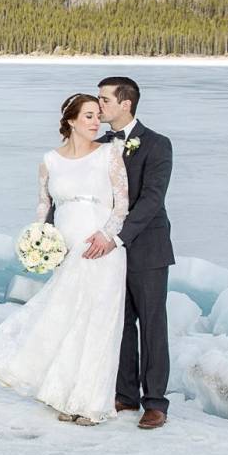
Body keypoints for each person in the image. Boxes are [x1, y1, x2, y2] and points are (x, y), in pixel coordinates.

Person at [0, 93, 130, 424]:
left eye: (98, 115)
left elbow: (122, 204)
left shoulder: (110, 155)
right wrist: (38, 236)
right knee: (64, 320)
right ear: (71, 121)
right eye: (88, 116)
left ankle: (91, 404)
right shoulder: (49, 161)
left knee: (97, 325)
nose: (97, 122)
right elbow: (44, 203)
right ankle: (62, 396)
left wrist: (107, 236)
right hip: (67, 249)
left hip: (101, 249)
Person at [85, 76, 174, 429]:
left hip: (147, 247)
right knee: (120, 322)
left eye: (105, 99)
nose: (99, 105)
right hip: (109, 249)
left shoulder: (157, 144)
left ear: (126, 104)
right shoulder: (101, 144)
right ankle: (125, 394)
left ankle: (155, 402)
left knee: (152, 325)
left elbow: (152, 200)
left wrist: (117, 237)